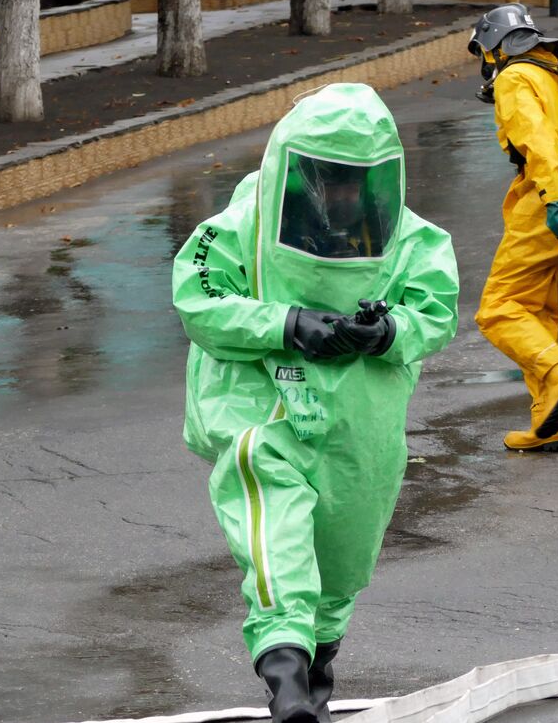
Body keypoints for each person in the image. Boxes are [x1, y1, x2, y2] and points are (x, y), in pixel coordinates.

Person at [172, 83, 459, 721]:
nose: (340, 194)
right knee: (275, 530)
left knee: (342, 559)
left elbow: (434, 313)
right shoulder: (241, 228)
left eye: (355, 181)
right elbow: (199, 301)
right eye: (327, 178)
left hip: (362, 423)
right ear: (296, 169)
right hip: (263, 408)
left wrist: (387, 332)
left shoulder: (411, 240)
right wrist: (286, 325)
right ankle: (284, 676)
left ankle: (313, 681)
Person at [470, 4, 558, 452]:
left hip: (551, 202)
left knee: (499, 309)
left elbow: (536, 140)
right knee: (537, 310)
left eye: (484, 55)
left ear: (496, 48)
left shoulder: (514, 77)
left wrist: (554, 199)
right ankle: (550, 424)